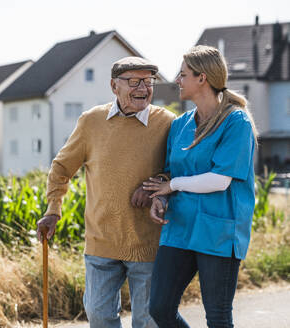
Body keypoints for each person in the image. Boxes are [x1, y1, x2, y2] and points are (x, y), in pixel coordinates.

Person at [37, 56, 175, 328]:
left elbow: (181, 169)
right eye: (134, 81)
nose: (143, 88)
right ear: (114, 86)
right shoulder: (92, 121)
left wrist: (157, 184)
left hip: (148, 242)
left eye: (148, 81)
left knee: (147, 321)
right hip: (101, 240)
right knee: (99, 316)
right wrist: (53, 210)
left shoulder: (168, 122)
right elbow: (62, 167)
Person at [143, 45, 258, 328]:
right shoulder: (180, 124)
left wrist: (174, 185)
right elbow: (170, 173)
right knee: (159, 307)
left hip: (218, 231)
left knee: (217, 317)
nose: (177, 81)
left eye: (183, 75)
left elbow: (220, 180)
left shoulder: (236, 122)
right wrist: (161, 198)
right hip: (179, 228)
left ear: (202, 79)